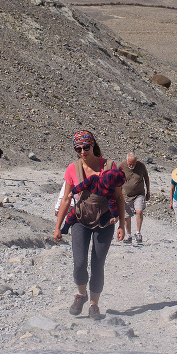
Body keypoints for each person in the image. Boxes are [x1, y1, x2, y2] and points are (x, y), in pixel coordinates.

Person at [53, 130, 124, 320]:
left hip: (105, 220)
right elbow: (67, 200)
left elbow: (118, 197)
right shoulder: (72, 169)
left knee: (97, 264)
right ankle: (81, 294)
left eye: (86, 147)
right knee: (79, 264)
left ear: (93, 145)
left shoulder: (109, 166)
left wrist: (122, 225)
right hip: (79, 220)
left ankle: (94, 304)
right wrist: (58, 226)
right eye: (78, 149)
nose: (83, 151)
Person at [120, 152, 151, 244]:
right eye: (130, 163)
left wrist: (148, 191)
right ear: (127, 161)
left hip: (139, 194)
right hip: (125, 195)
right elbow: (115, 178)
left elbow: (146, 178)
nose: (131, 165)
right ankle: (128, 234)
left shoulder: (141, 166)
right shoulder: (121, 166)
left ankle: (138, 232)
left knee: (139, 211)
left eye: (133, 163)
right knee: (126, 216)